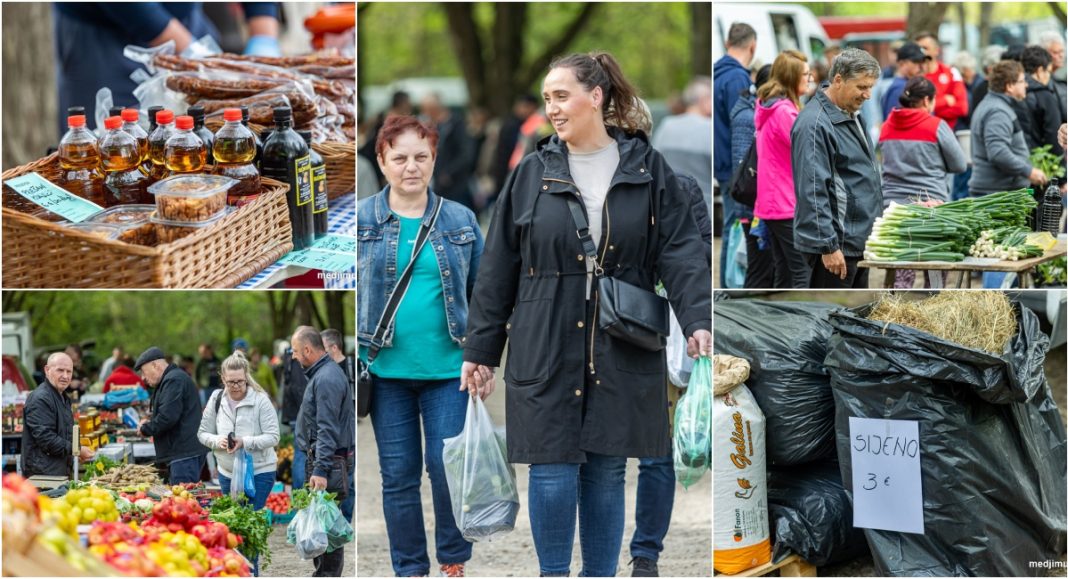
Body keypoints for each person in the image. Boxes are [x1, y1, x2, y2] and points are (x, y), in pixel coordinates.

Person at [461, 51, 712, 577]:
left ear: (595, 97)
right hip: (544, 334)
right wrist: (481, 351)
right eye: (547, 97)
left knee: (605, 469)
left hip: (622, 338)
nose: (551, 108)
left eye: (561, 95)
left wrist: (697, 320)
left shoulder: (648, 169)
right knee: (551, 468)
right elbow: (497, 266)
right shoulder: (532, 171)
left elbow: (682, 251)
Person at [357, 114, 483, 578]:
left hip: (449, 370)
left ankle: (452, 558)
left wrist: (483, 358)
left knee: (446, 467)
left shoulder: (459, 218)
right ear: (382, 161)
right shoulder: (363, 218)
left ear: (434, 159)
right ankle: (410, 569)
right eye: (400, 158)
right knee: (398, 477)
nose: (411, 167)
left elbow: (483, 293)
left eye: (421, 157)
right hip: (386, 373)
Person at [52, 3, 280, 139]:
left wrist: (264, 35)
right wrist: (192, 54)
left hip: (188, 21)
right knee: (111, 143)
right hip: (104, 36)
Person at [792, 48, 883, 289]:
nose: (868, 95)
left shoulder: (851, 112)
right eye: (862, 87)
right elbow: (812, 189)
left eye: (871, 86)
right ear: (839, 80)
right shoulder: (814, 124)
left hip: (856, 241)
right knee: (830, 314)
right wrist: (827, 246)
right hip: (837, 247)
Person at [879, 76, 968, 288]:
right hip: (931, 208)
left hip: (894, 209)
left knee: (901, 270)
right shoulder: (936, 126)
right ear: (927, 100)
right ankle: (933, 303)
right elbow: (960, 165)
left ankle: (894, 308)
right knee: (935, 266)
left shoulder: (886, 126)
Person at [198, 352, 278, 576]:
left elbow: (273, 436)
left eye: (240, 381)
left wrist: (245, 442)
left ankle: (252, 572)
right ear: (222, 378)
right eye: (230, 381)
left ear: (247, 377)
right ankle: (241, 572)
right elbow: (203, 434)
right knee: (233, 526)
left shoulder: (260, 400)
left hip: (259, 472)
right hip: (227, 472)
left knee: (247, 525)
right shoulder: (216, 399)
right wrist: (218, 441)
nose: (235, 386)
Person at [293, 326, 355, 578]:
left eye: (296, 351)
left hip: (328, 463)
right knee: (323, 523)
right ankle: (324, 572)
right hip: (325, 459)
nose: (295, 356)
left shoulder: (327, 378)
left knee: (327, 526)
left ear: (308, 350)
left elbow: (327, 428)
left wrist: (320, 469)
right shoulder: (323, 373)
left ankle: (327, 574)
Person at [755, 50, 814, 288]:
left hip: (771, 203)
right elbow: (810, 151)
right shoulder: (785, 113)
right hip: (785, 204)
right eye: (806, 75)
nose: (810, 79)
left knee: (784, 271)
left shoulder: (768, 107)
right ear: (792, 78)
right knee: (802, 272)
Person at [714, 22, 757, 286]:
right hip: (734, 166)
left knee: (730, 224)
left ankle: (727, 282)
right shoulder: (738, 78)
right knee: (734, 225)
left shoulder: (718, 72)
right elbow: (741, 124)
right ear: (752, 46)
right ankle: (731, 283)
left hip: (722, 163)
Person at [969, 60, 1047, 197]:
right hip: (996, 195)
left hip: (997, 191)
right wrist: (1028, 171)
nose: (1026, 85)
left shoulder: (993, 105)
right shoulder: (997, 112)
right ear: (1010, 86)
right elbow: (998, 152)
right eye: (1022, 81)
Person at [729, 65, 775, 289]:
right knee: (758, 269)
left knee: (766, 267)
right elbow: (745, 167)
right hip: (752, 208)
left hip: (759, 206)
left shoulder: (754, 111)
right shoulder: (747, 117)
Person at [135, 347, 208, 484]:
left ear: (155, 365)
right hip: (182, 453)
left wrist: (145, 429)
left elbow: (167, 418)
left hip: (183, 455)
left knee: (184, 500)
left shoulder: (173, 380)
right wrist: (149, 420)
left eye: (143, 372)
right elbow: (170, 411)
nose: (143, 378)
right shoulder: (171, 379)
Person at [21, 353, 95, 479]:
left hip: (58, 472)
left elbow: (64, 434)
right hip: (43, 477)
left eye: (69, 372)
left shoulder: (62, 397)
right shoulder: (40, 398)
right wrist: (76, 449)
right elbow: (46, 438)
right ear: (47, 370)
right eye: (60, 370)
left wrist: (75, 453)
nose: (65, 376)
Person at [652, 77, 713, 210]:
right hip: (704, 211)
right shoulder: (710, 128)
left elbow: (653, 166)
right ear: (704, 100)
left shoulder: (666, 125)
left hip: (670, 211)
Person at [421, 93, 477, 215]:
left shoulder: (456, 125)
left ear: (434, 109)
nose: (425, 113)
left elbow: (466, 155)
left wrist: (448, 173)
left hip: (456, 186)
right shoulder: (434, 126)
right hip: (439, 186)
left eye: (426, 109)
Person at [322, 328, 355, 524]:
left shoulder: (349, 366)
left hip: (348, 430)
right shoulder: (323, 371)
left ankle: (346, 520)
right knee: (337, 476)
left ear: (334, 347)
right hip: (333, 429)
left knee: (348, 478)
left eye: (323, 348)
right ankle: (335, 518)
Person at [914, 32, 969, 129]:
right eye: (919, 49)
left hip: (950, 131)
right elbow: (916, 109)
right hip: (925, 132)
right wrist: (944, 100)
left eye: (925, 48)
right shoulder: (914, 77)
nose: (921, 52)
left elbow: (962, 108)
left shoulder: (951, 72)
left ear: (936, 51)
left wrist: (933, 110)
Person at [1022, 46, 1066, 157]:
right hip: (1044, 162)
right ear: (1040, 71)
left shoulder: (1015, 92)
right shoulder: (1044, 96)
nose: (1048, 77)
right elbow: (1053, 136)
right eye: (1048, 72)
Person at [279, 344, 309, 491]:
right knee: (301, 455)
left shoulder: (289, 355)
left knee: (299, 453)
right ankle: (300, 496)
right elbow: (299, 388)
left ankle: (299, 495)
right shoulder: (299, 356)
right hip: (300, 413)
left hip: (292, 412)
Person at [881, 42, 932, 121]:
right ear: (902, 64)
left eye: (922, 61)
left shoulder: (907, 85)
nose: (921, 66)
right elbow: (898, 124)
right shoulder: (900, 89)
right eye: (916, 62)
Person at [971, 44, 1007, 111]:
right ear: (990, 69)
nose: (1005, 70)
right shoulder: (983, 90)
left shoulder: (999, 86)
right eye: (1001, 67)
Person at [1039, 31, 1067, 114]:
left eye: (1062, 51)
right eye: (1055, 52)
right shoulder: (1043, 82)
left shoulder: (1061, 79)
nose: (1061, 55)